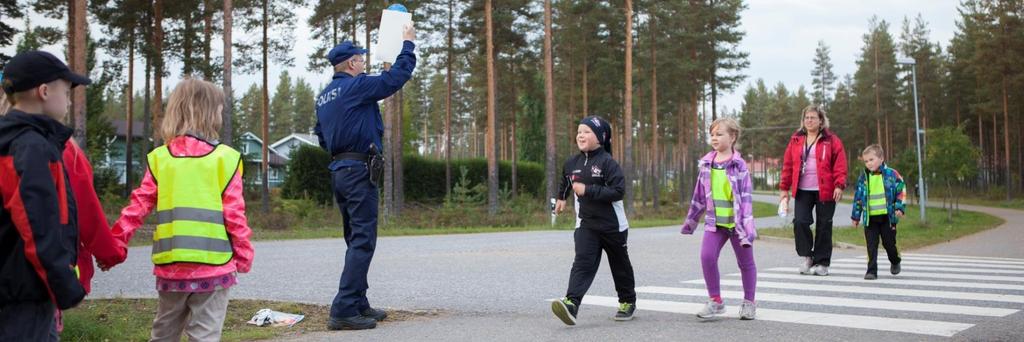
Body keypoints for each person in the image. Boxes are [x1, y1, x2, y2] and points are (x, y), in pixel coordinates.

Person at [108, 78, 254, 342]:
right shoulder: (226, 159)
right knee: (205, 334)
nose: (221, 115)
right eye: (220, 109)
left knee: (164, 332)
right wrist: (243, 254)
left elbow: (137, 206)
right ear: (209, 113)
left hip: (171, 268)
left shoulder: (160, 159)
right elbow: (234, 214)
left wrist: (116, 242)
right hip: (214, 266)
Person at [314, 24, 417, 331]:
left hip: (340, 171)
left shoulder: (323, 97)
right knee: (363, 240)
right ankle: (344, 307)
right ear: (351, 64)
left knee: (354, 238)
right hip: (358, 172)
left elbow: (322, 136)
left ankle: (358, 302)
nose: (363, 63)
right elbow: (394, 79)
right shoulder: (354, 86)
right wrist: (408, 45)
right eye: (360, 59)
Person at [0, 50, 90, 340]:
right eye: (66, 90)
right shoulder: (32, 147)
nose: (68, 99)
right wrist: (63, 283)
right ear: (44, 91)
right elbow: (38, 224)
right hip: (24, 294)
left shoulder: (12, 141)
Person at [550, 116, 637, 326]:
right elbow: (566, 179)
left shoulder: (608, 163)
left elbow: (618, 192)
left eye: (587, 131)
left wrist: (588, 190)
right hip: (586, 224)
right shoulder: (572, 162)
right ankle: (571, 303)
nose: (581, 135)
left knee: (620, 265)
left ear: (600, 137)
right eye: (579, 131)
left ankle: (627, 301)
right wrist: (561, 197)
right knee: (582, 262)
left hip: (612, 226)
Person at [681, 118, 758, 320]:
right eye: (712, 134)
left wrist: (747, 227)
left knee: (746, 263)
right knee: (707, 257)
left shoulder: (739, 165)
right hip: (715, 224)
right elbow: (698, 195)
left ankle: (749, 302)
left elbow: (747, 198)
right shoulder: (707, 163)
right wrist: (691, 222)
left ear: (732, 137)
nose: (714, 138)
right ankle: (715, 301)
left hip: (737, 224)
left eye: (719, 134)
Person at [779, 105, 847, 276]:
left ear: (821, 121)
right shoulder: (796, 140)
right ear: (803, 121)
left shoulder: (831, 140)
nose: (809, 120)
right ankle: (808, 256)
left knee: (824, 225)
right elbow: (788, 165)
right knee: (800, 222)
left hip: (826, 189)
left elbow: (840, 164)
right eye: (806, 118)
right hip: (803, 189)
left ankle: (822, 263)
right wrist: (784, 190)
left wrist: (839, 185)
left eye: (813, 118)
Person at [851, 144, 904, 280]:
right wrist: (856, 216)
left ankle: (895, 260)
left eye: (871, 159)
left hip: (888, 217)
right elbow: (858, 197)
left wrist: (899, 207)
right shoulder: (863, 178)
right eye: (866, 161)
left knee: (889, 243)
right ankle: (871, 270)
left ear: (881, 158)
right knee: (871, 245)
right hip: (870, 218)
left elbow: (901, 191)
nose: (869, 163)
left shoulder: (892, 174)